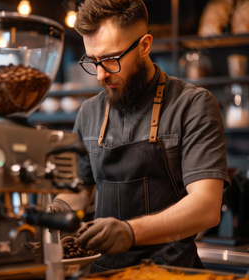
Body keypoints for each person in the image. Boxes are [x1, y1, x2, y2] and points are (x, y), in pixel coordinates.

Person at [51, 0, 230, 273]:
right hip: (104, 274)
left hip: (171, 274)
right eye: (93, 61)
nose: (100, 75)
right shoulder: (89, 112)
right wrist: (55, 212)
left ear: (144, 45)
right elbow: (79, 191)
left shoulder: (192, 105)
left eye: (110, 59)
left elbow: (206, 207)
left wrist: (129, 232)